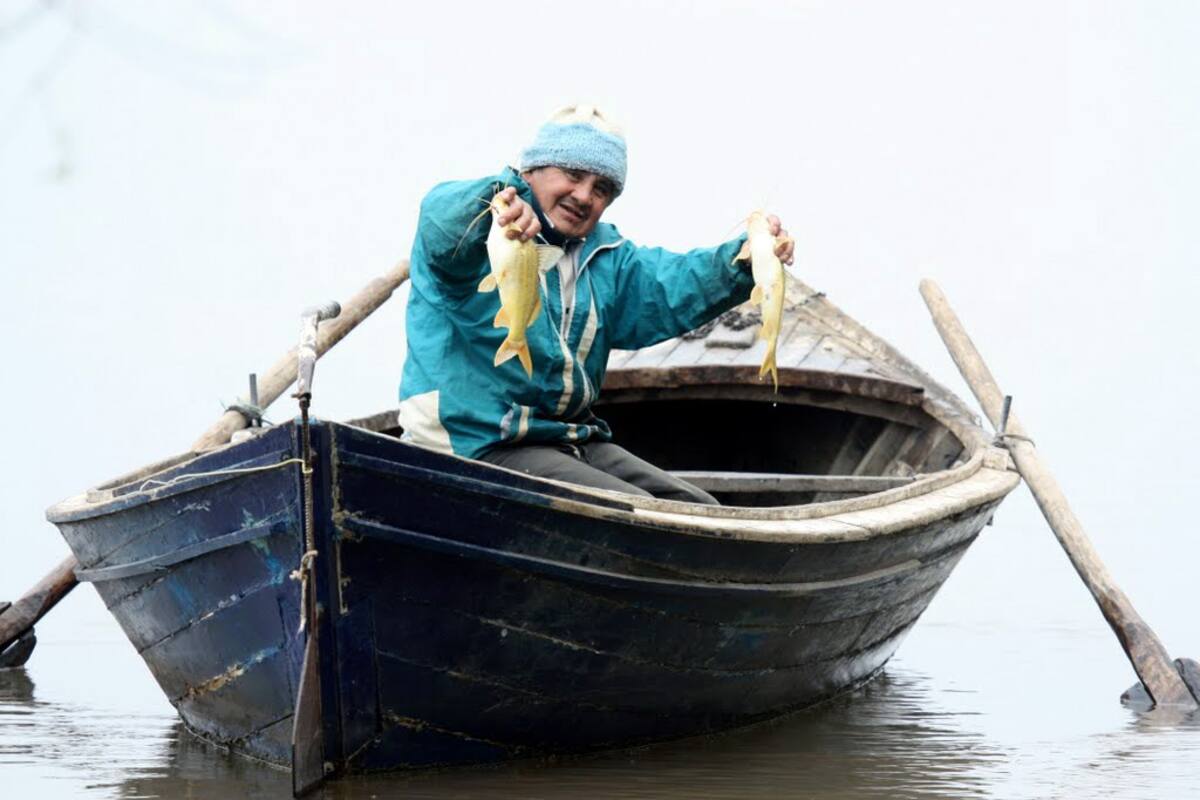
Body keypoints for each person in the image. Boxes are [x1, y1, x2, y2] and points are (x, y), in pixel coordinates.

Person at [398, 105, 795, 504]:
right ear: (531, 170)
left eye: (602, 188)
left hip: (566, 438)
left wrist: (749, 257)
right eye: (573, 174)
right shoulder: (484, 228)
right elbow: (439, 219)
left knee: (702, 509)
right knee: (644, 513)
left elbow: (676, 284)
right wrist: (495, 196)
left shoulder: (609, 259)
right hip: (472, 442)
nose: (584, 196)